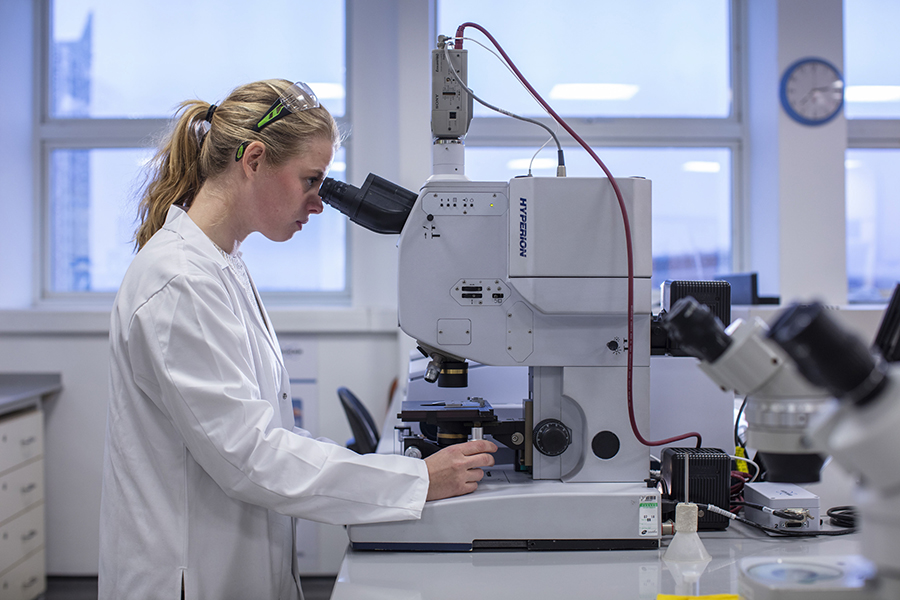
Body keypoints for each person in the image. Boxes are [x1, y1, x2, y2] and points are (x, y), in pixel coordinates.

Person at [98, 79, 497, 600]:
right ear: (255, 159)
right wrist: (415, 482)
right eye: (311, 180)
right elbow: (253, 458)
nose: (319, 202)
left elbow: (266, 431)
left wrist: (395, 471)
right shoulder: (179, 282)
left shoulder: (221, 264)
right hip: (187, 576)